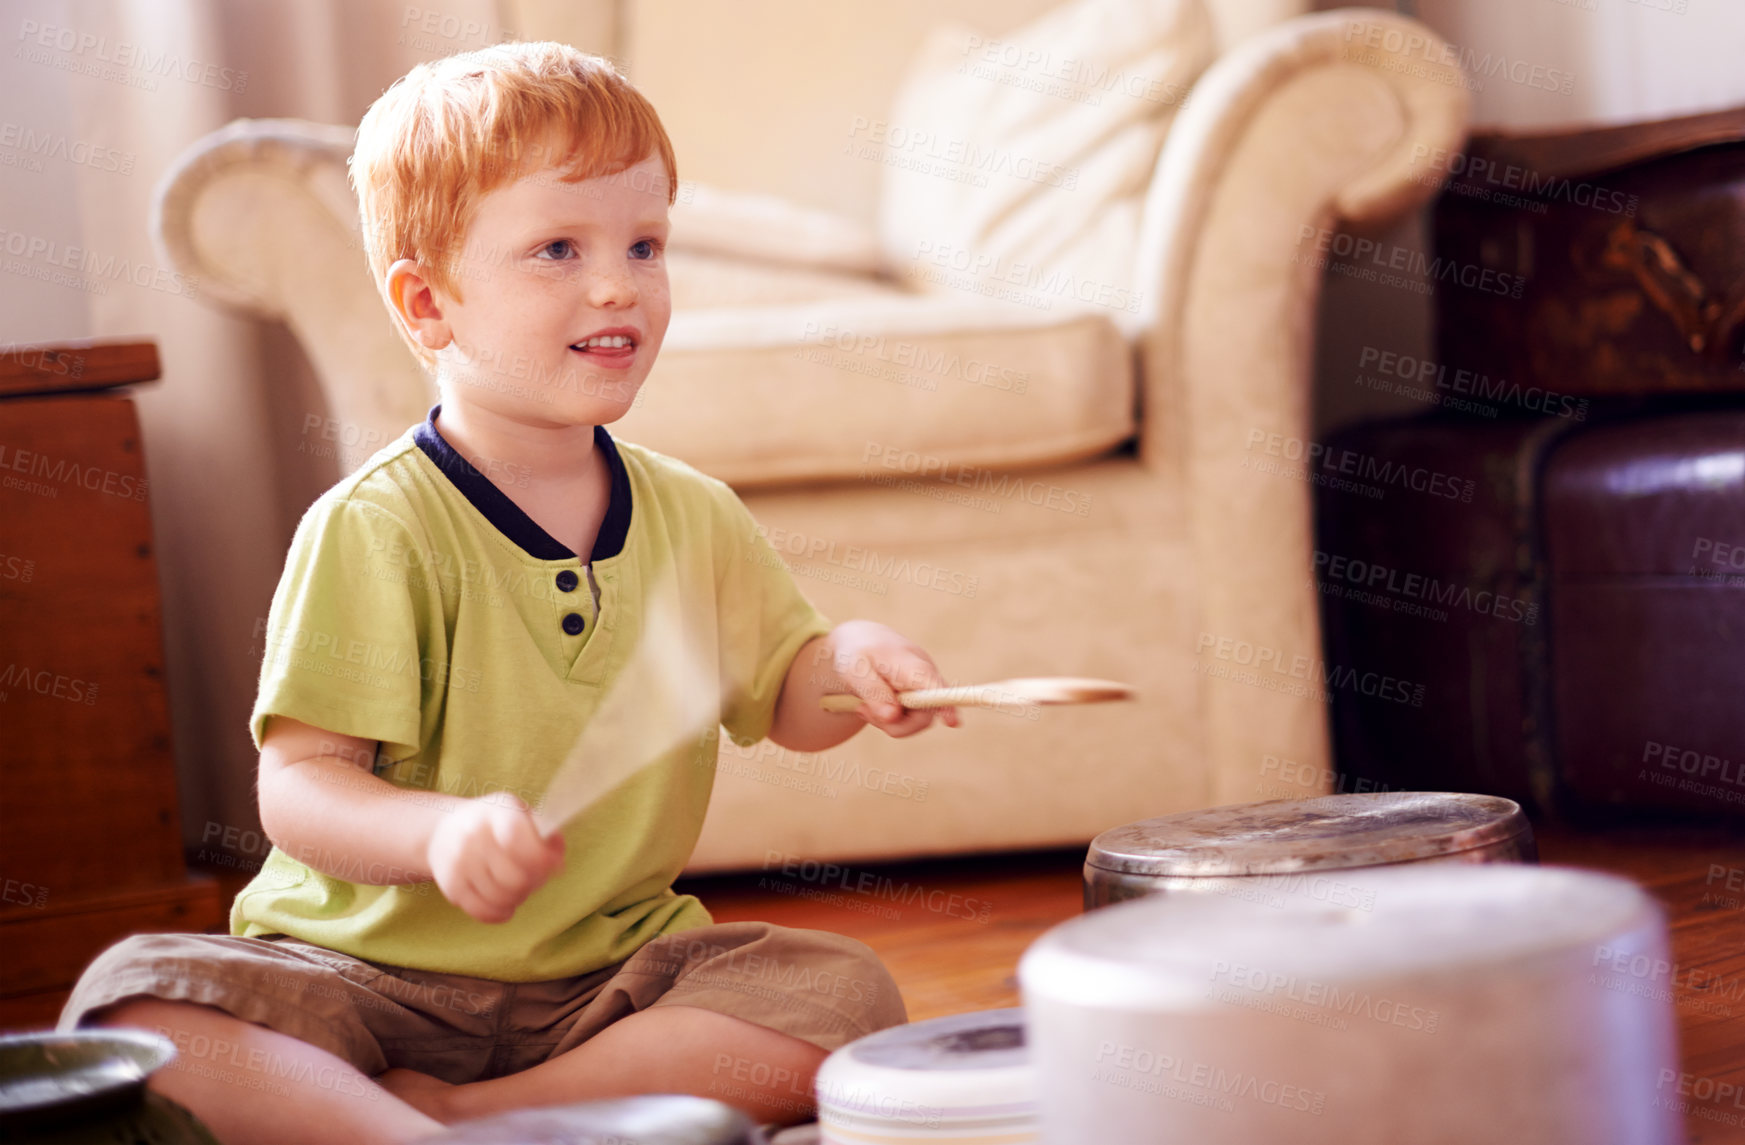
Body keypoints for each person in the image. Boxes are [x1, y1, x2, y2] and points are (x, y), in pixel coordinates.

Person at [60, 40, 959, 1145]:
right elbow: (300, 786)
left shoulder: (696, 517)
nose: (617, 282)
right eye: (555, 249)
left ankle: (467, 1119)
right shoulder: (377, 526)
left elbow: (786, 695)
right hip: (359, 980)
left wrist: (854, 663)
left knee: (841, 994)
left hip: (607, 976)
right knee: (139, 1003)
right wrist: (438, 834)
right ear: (429, 303)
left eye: (644, 243)